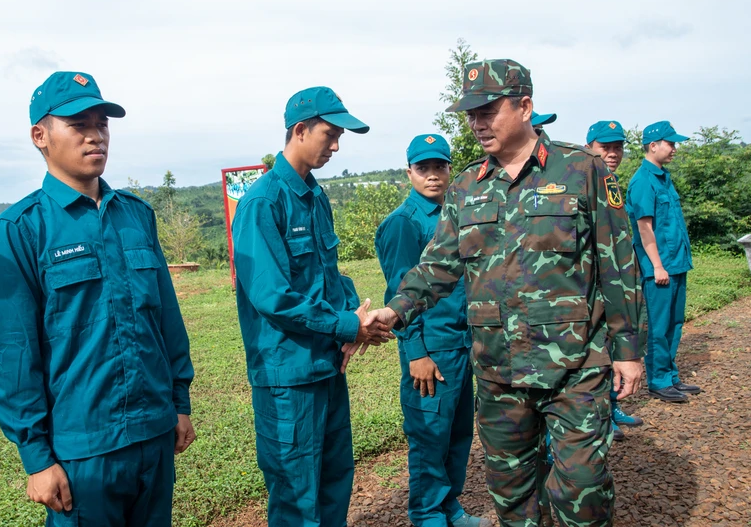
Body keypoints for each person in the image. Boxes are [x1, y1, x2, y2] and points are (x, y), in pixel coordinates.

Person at [360, 58, 646, 526]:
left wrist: (628, 349)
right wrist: (395, 312)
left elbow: (619, 265)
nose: (477, 124)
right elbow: (437, 265)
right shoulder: (467, 186)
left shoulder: (583, 170)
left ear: (526, 106)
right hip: (497, 371)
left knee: (581, 488)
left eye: (487, 111)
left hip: (574, 367)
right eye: (470, 115)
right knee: (512, 494)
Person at [0, 71, 195, 526]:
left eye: (102, 123)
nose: (95, 135)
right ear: (40, 135)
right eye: (79, 124)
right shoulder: (20, 231)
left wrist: (179, 403)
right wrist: (37, 458)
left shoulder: (136, 216)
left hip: (155, 433)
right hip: (83, 450)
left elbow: (167, 321)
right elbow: (14, 356)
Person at [232, 86, 393, 526]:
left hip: (325, 366)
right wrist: (346, 325)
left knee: (335, 478)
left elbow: (329, 272)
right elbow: (273, 297)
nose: (336, 146)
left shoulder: (315, 196)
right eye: (330, 134)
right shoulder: (263, 203)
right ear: (300, 130)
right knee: (296, 494)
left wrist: (354, 315)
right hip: (289, 376)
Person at [375, 134, 488, 527]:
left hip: (461, 344)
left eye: (440, 167)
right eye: (423, 168)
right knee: (429, 438)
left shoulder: (454, 215)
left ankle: (450, 508)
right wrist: (417, 353)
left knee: (457, 436)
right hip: (431, 350)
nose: (433, 176)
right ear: (409, 172)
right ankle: (427, 515)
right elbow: (399, 294)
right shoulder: (403, 224)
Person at [626, 121, 700, 403]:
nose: (674, 149)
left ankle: (671, 376)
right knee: (658, 326)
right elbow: (645, 229)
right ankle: (658, 380)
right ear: (653, 145)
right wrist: (657, 265)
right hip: (660, 266)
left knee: (675, 323)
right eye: (670, 144)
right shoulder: (643, 181)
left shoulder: (663, 177)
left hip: (676, 262)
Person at [585, 120, 644, 440]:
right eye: (605, 147)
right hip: (589, 287)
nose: (612, 153)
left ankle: (611, 407)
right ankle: (598, 418)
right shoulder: (582, 179)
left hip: (613, 284)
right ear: (589, 146)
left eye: (618, 147)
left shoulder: (611, 182)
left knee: (611, 350)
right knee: (594, 356)